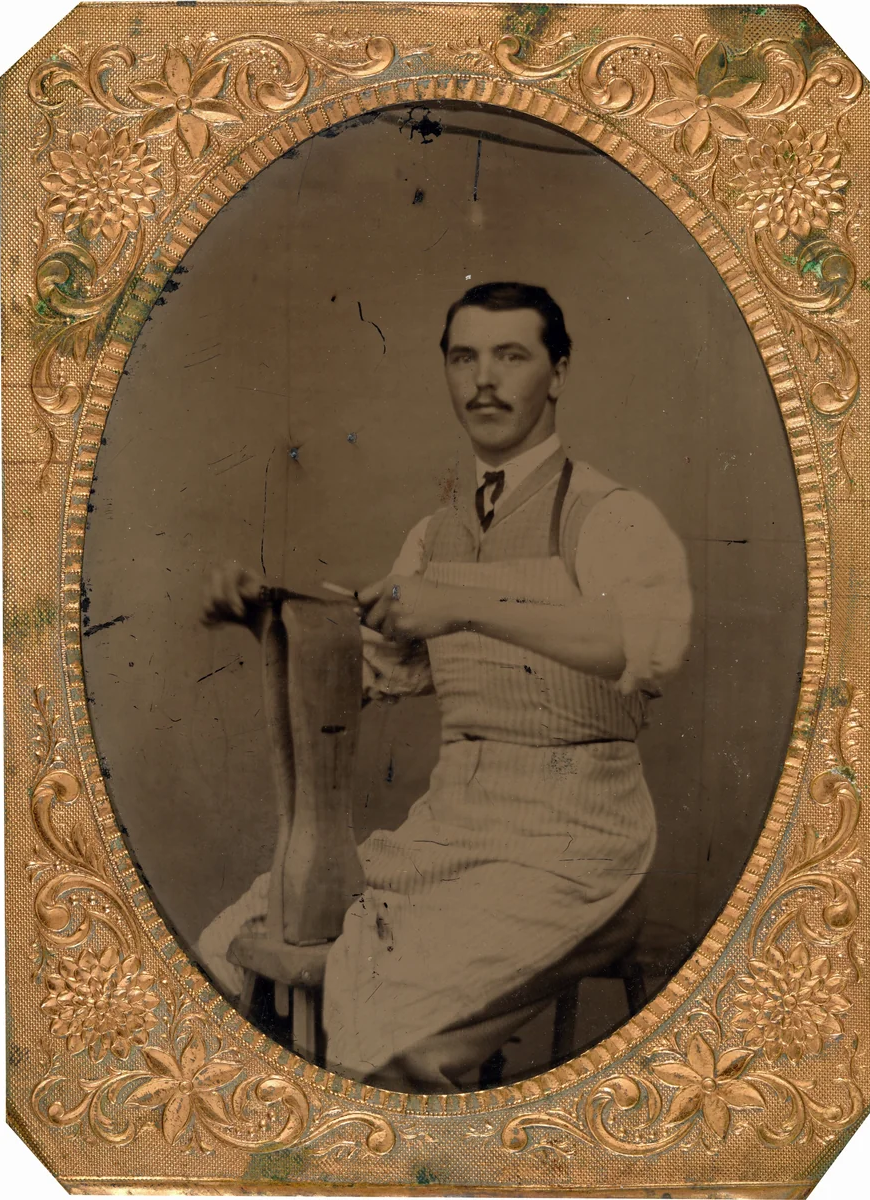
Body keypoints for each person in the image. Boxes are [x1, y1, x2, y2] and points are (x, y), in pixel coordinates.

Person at [201, 282, 692, 1092]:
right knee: (244, 950)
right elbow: (363, 678)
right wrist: (273, 621)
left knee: (403, 1043)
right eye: (464, 358)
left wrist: (459, 602)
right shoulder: (435, 535)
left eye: (512, 356)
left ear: (558, 372)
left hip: (577, 847)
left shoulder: (610, 515)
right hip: (450, 834)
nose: (484, 381)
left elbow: (631, 644)